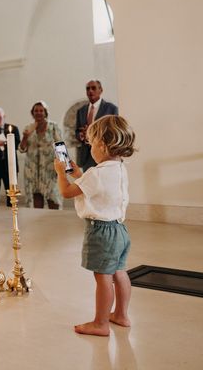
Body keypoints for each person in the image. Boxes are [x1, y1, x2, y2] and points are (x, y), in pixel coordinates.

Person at [54, 115, 136, 337]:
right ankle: (121, 314)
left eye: (91, 144)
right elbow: (91, 184)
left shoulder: (97, 174)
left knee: (102, 278)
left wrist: (61, 173)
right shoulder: (119, 167)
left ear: (101, 144)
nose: (90, 148)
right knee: (119, 272)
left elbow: (67, 192)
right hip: (119, 229)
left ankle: (100, 323)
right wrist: (76, 172)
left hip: (101, 232)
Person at [19, 101, 62, 209]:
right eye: (36, 111)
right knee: (36, 197)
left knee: (53, 197)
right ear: (32, 113)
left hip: (50, 169)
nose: (38, 113)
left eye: (41, 110)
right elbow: (21, 149)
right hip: (32, 170)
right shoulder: (28, 127)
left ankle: (55, 221)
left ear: (45, 112)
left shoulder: (53, 126)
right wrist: (25, 137)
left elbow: (60, 145)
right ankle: (39, 222)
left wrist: (64, 166)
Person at [75, 80, 118, 171]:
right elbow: (77, 132)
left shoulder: (111, 108)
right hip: (86, 156)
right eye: (88, 89)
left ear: (101, 90)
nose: (90, 91)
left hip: (104, 154)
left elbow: (114, 132)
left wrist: (92, 132)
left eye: (93, 88)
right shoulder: (81, 111)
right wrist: (82, 135)